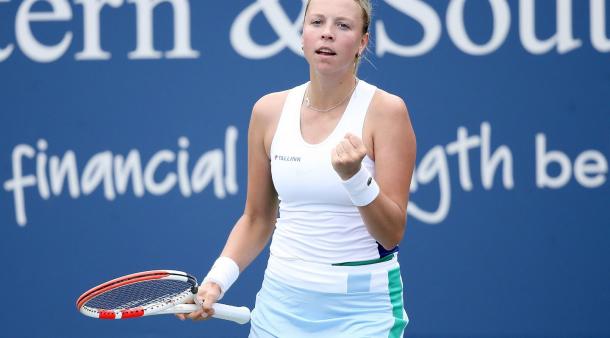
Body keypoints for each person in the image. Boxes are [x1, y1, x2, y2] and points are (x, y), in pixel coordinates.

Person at [177, 0, 416, 336]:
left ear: (362, 42)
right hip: (279, 305)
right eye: (317, 22)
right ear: (302, 35)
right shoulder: (268, 111)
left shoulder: (387, 112)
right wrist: (216, 282)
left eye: (343, 26)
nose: (327, 34)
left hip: (362, 313)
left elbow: (391, 234)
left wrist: (356, 179)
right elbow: (257, 219)